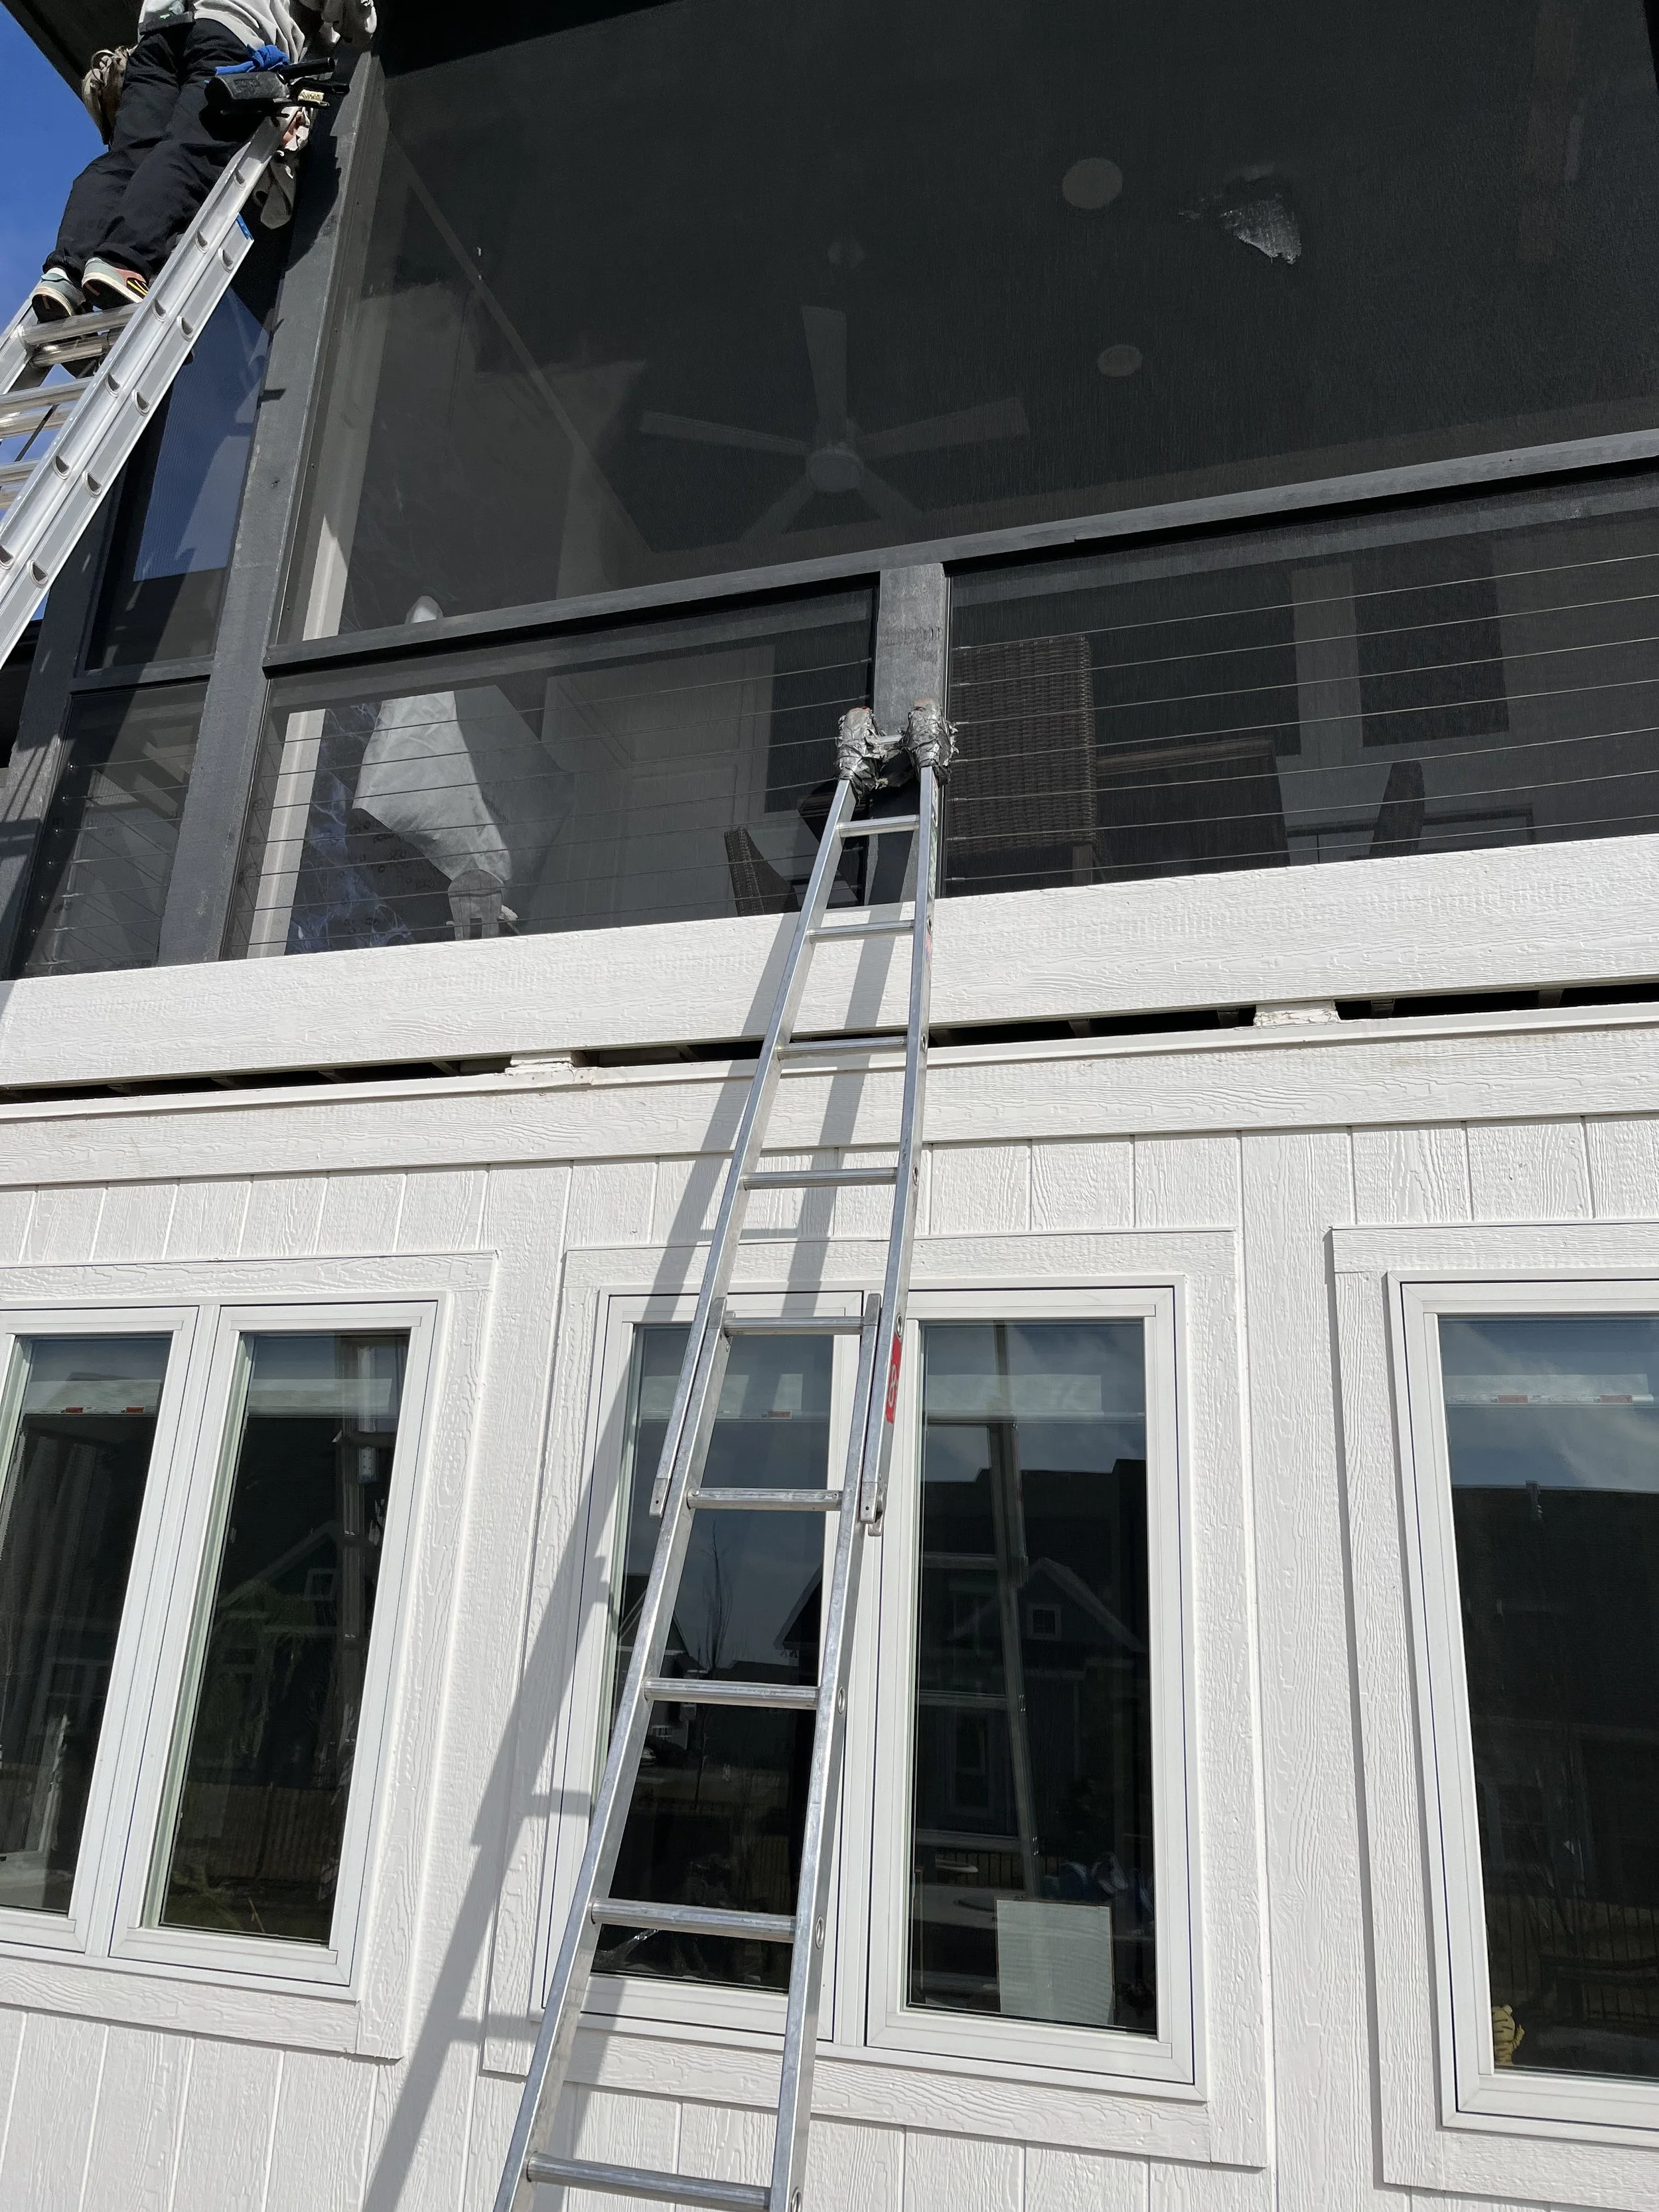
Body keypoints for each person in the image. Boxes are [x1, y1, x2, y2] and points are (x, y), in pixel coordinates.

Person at [31, 0, 374, 322]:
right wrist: (364, 23)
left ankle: (65, 273)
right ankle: (123, 260)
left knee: (129, 157)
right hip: (231, 29)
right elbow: (354, 16)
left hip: (158, 36)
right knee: (192, 147)